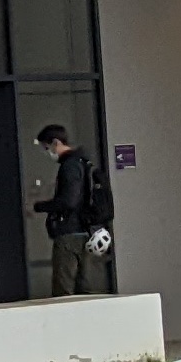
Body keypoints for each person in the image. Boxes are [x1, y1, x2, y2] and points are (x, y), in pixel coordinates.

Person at [33, 124, 107, 296]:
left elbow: (68, 200)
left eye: (46, 147)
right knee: (86, 288)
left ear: (56, 142)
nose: (48, 152)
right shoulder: (85, 163)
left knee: (63, 289)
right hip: (88, 233)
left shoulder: (69, 166)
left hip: (69, 234)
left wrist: (40, 206)